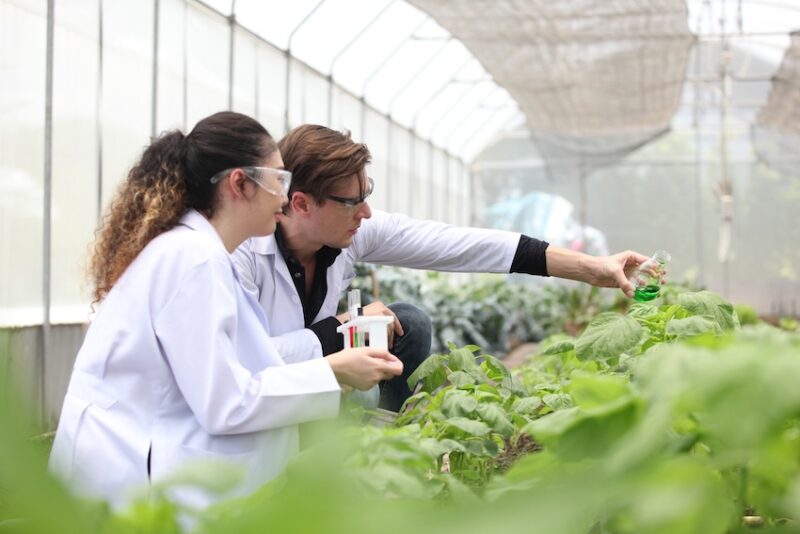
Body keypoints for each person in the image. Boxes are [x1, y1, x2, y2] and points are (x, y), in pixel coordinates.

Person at [49, 112, 402, 510]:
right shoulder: (195, 261)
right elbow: (226, 403)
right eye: (279, 181)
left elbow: (233, 373)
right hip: (127, 472)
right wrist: (333, 371)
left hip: (139, 459)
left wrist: (331, 372)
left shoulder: (199, 252)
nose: (286, 199)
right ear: (240, 184)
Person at [232, 124, 653, 412]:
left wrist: (591, 268)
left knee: (407, 322)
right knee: (387, 324)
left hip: (315, 383)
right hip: (259, 405)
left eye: (367, 193)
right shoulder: (243, 250)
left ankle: (385, 439)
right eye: (351, 201)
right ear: (302, 203)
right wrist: (343, 326)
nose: (366, 211)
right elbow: (244, 363)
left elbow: (463, 245)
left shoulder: (351, 232)